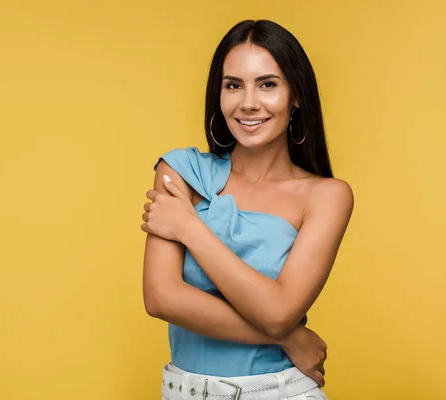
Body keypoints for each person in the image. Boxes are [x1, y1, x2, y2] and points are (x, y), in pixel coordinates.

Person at [141, 19, 354, 400]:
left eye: (268, 84)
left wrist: (190, 229)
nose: (248, 102)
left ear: (297, 96)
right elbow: (161, 297)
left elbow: (278, 312)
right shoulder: (181, 172)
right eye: (233, 85)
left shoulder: (326, 196)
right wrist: (291, 338)